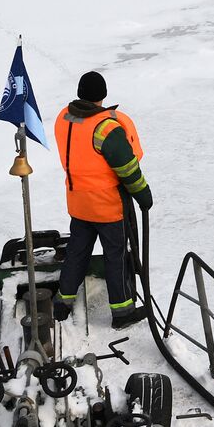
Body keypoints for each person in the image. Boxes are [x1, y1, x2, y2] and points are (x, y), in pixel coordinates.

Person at [52, 70, 152, 329]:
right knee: (115, 257)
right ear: (103, 95)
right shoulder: (106, 128)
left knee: (77, 252)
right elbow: (127, 168)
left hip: (78, 202)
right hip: (107, 207)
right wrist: (143, 194)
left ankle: (62, 302)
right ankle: (121, 313)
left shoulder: (65, 118)